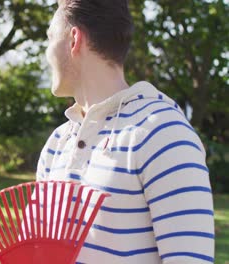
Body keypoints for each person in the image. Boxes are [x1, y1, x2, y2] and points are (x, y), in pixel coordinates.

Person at [36, 0, 214, 263]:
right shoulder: (57, 144)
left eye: (50, 38)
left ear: (74, 39)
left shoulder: (163, 133)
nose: (46, 52)